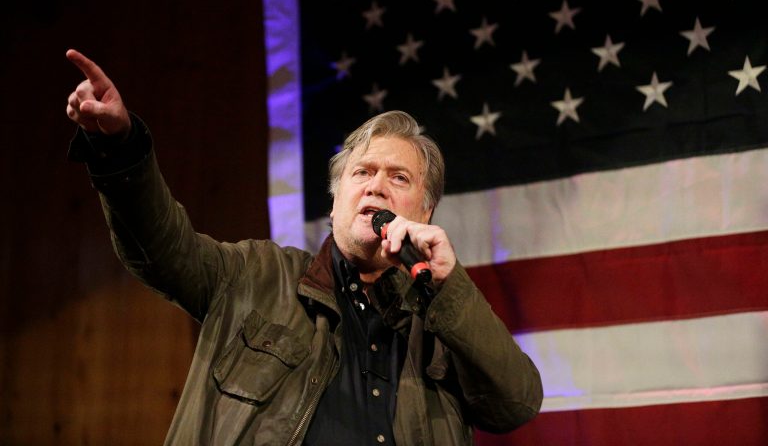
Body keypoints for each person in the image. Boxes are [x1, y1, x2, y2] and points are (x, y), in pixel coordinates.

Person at [65, 48, 543, 445]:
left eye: (399, 178)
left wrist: (447, 286)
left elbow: (515, 403)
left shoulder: (442, 319)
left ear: (425, 215)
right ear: (335, 205)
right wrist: (121, 148)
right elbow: (160, 249)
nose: (376, 187)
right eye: (363, 172)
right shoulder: (252, 274)